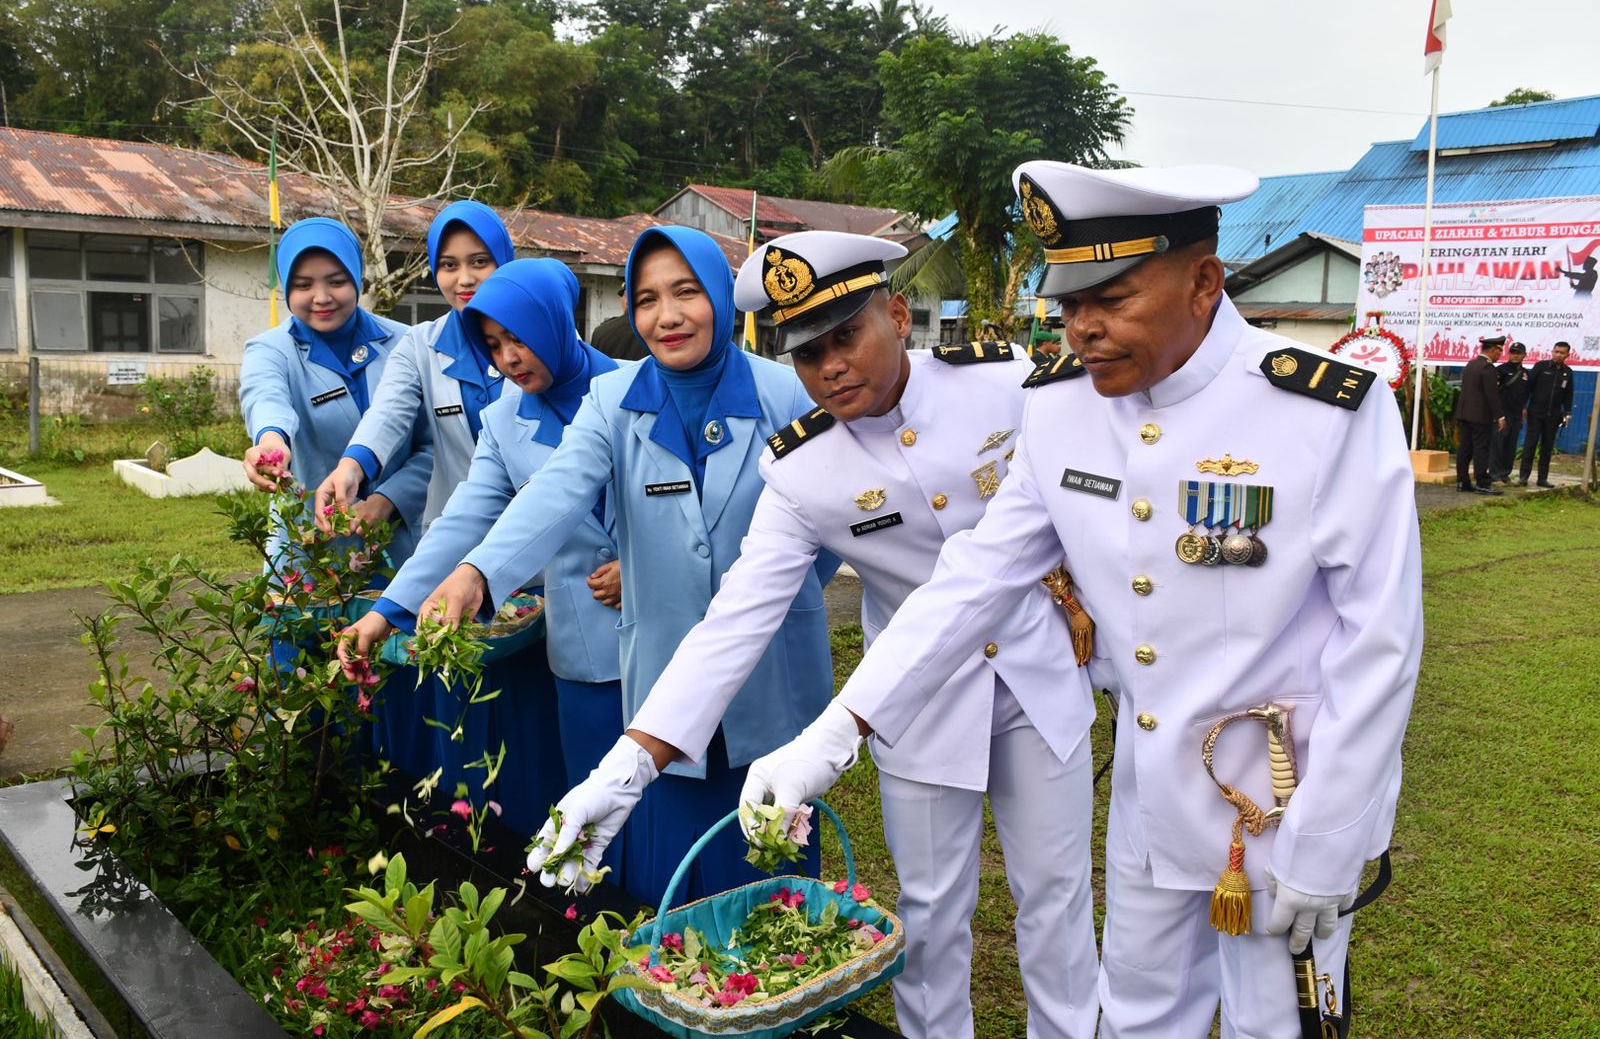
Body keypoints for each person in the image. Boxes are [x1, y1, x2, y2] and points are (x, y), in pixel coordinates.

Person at [744, 161, 1423, 1039]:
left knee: (1274, 1025)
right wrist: (834, 737)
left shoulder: (1323, 409)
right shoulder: (1063, 408)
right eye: (1069, 303)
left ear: (1204, 281)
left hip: (1279, 806)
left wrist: (1333, 840)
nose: (1083, 329)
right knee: (1136, 1017)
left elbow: (1379, 644)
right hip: (1148, 798)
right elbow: (977, 577)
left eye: (1111, 297)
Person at [533, 231, 1100, 1039]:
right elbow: (733, 622)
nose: (830, 366)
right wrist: (624, 772)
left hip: (1039, 680)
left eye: (846, 337)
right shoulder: (801, 471)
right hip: (913, 706)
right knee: (931, 919)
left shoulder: (1004, 384)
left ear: (899, 316)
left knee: (1056, 903)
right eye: (806, 354)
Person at [405, 225, 836, 905]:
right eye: (646, 299)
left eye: (686, 293)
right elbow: (553, 492)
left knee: (772, 860)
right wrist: (478, 573)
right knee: (673, 873)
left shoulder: (786, 394)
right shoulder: (615, 401)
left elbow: (834, 519)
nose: (666, 316)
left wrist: (785, 593)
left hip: (776, 670)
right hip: (666, 665)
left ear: (721, 296)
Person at [339, 258, 624, 842]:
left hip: (671, 632)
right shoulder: (503, 420)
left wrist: (644, 569)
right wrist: (386, 611)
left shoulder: (638, 386)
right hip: (588, 648)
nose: (508, 358)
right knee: (598, 815)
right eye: (492, 345)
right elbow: (461, 520)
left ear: (556, 321)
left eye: (519, 337)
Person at [239, 217, 432, 568]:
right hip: (309, 555)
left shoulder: (408, 343)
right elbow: (264, 397)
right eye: (303, 285)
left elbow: (434, 444)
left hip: (405, 551)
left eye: (337, 281)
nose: (322, 297)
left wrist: (387, 500)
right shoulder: (270, 350)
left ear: (357, 279)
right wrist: (271, 442)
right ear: (286, 288)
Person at [314, 200, 514, 532]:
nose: (464, 279)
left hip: (541, 541)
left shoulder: (547, 337)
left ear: (504, 261)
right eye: (449, 265)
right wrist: (351, 466)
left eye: (479, 261)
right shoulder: (419, 345)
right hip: (458, 536)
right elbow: (388, 411)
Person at [1453, 335, 1505, 495]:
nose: (1500, 355)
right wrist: (1499, 416)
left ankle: (1462, 481)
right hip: (1480, 416)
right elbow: (1492, 395)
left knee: (1465, 448)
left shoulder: (1471, 364)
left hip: (1464, 413)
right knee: (1481, 449)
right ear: (1493, 350)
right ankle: (1482, 482)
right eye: (1499, 351)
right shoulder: (1488, 368)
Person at [1518, 340, 1575, 487]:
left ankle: (1542, 479)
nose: (1558, 355)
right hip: (1535, 414)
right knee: (1530, 445)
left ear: (1567, 355)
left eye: (1562, 353)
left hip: (1554, 416)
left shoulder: (1567, 372)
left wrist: (1567, 413)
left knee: (1547, 448)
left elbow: (1568, 395)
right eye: (1556, 351)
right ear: (1552, 352)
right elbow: (1528, 388)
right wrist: (1524, 406)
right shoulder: (1541, 366)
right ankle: (1523, 477)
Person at [1492, 341, 1530, 483]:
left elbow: (1526, 394)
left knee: (1510, 445)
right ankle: (1495, 473)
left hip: (1516, 415)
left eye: (1518, 353)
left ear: (1524, 355)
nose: (1515, 355)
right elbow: (1493, 393)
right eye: (1512, 352)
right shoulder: (1501, 370)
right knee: (1498, 444)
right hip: (1502, 414)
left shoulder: (1526, 373)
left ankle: (1505, 473)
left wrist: (1524, 408)